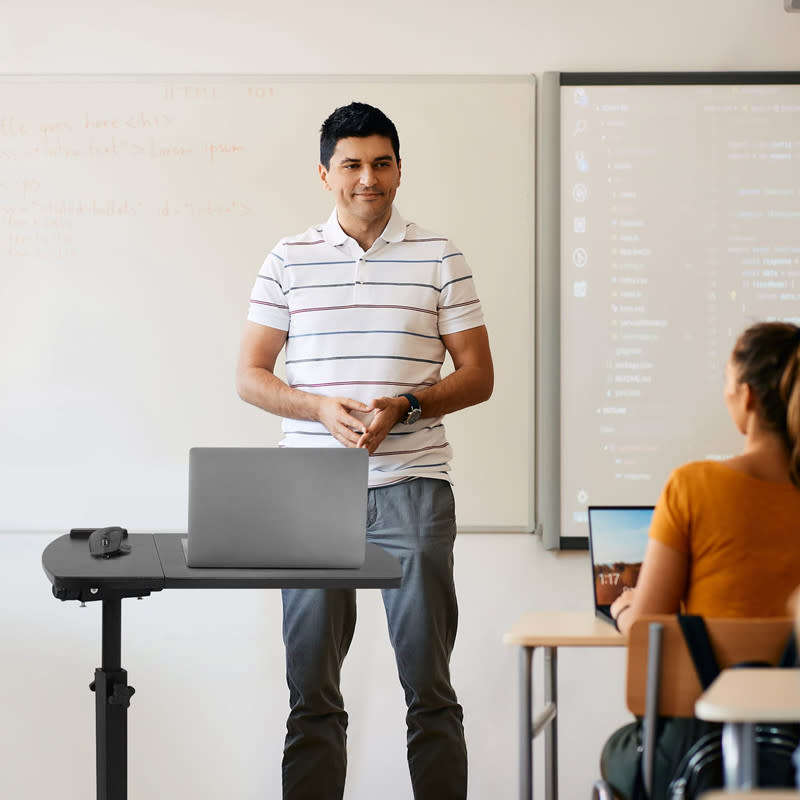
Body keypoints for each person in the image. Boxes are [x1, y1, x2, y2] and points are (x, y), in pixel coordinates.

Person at [235, 101, 493, 800]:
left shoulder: (440, 256)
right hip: (310, 490)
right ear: (325, 174)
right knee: (312, 690)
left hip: (413, 484)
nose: (367, 179)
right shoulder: (288, 258)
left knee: (428, 686)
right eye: (351, 164)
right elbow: (251, 376)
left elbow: (478, 376)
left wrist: (407, 404)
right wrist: (317, 406)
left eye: (381, 163)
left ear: (399, 169)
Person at [601, 321, 800, 799]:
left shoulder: (692, 487)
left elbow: (650, 629)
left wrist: (624, 609)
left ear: (747, 397)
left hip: (699, 742)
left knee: (617, 751)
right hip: (794, 745)